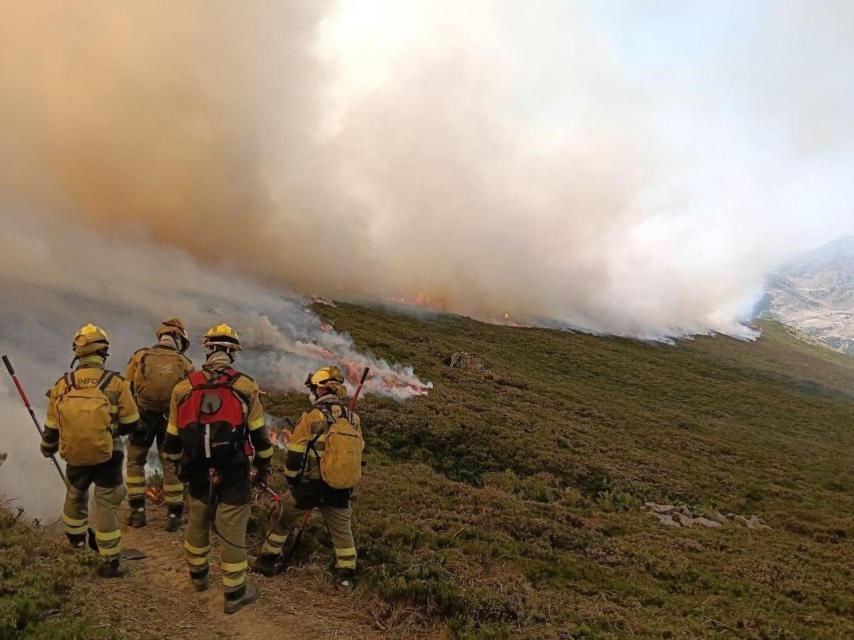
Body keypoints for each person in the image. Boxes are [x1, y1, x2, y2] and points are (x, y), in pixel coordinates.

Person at [162, 323, 274, 614]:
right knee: (232, 526)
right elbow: (261, 437)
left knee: (197, 518)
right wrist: (263, 468)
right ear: (232, 352)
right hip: (234, 468)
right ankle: (234, 594)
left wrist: (176, 464)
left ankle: (198, 578)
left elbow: (172, 437)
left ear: (208, 349)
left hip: (197, 466)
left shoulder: (184, 387)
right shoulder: (246, 386)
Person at [40, 324, 140, 577]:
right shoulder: (116, 383)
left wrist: (47, 447)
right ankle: (110, 562)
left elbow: (51, 426)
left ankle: (75, 546)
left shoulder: (63, 384)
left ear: (78, 352)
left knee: (75, 495)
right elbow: (131, 423)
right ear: (103, 352)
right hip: (109, 453)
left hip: (75, 452)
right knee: (105, 503)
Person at [253, 366, 361, 591]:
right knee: (342, 533)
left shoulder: (312, 417)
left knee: (281, 516)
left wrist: (293, 481)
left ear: (321, 390)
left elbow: (294, 455)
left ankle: (267, 562)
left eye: (314, 388)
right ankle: (346, 578)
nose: (312, 392)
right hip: (340, 487)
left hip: (311, 485)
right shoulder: (353, 418)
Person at [124, 318, 194, 531]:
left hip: (142, 419)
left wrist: (129, 419)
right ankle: (174, 515)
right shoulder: (185, 363)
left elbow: (127, 388)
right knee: (170, 465)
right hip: (170, 422)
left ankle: (137, 513)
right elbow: (190, 397)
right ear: (179, 338)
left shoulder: (140, 356)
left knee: (136, 463)